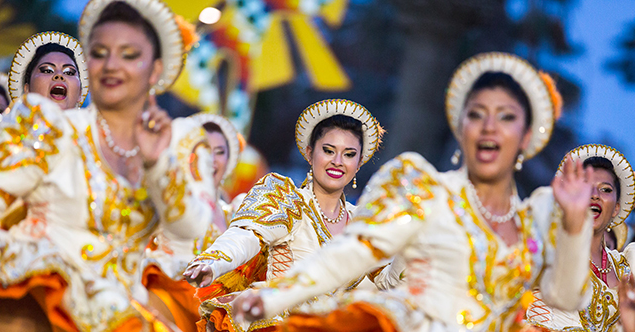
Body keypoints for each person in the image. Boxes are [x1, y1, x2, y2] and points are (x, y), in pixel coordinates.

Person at [232, 52, 595, 332]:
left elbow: (567, 297)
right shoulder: (423, 189)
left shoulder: (536, 217)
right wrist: (273, 296)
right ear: (460, 126)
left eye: (506, 117)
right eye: (477, 114)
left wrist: (577, 227)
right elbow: (350, 254)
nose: (489, 127)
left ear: (526, 136)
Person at [0, 0, 214, 331]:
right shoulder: (50, 126)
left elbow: (191, 231)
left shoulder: (181, 142)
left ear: (155, 69)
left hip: (118, 309)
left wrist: (158, 164)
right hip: (35, 290)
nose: (112, 64)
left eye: (129, 54)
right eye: (100, 53)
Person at [184, 99, 383, 332]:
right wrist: (214, 262)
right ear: (310, 153)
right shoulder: (286, 200)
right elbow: (245, 236)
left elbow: (390, 281)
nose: (337, 162)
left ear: (359, 163)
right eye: (328, 151)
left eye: (349, 154)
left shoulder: (364, 222)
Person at [526, 144, 635, 332]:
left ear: (616, 208)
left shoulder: (627, 267)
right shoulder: (549, 246)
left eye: (606, 190)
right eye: (587, 187)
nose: (595, 195)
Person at [8, 31, 89, 110]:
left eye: (69, 72)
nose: (59, 75)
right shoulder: (6, 123)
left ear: (79, 94)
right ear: (27, 89)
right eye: (47, 71)